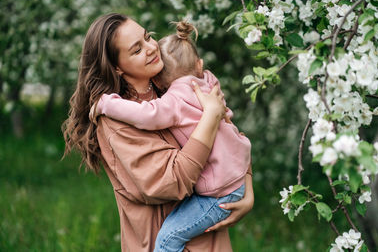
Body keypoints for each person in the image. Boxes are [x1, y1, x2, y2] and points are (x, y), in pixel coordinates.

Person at [62, 13, 254, 252]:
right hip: (162, 243)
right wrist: (210, 116)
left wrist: (247, 186)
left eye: (148, 37)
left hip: (210, 241)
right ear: (117, 67)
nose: (152, 48)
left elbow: (230, 136)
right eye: (136, 50)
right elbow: (173, 182)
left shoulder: (171, 87)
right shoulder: (116, 123)